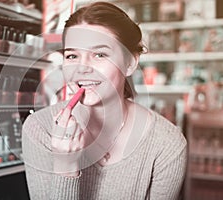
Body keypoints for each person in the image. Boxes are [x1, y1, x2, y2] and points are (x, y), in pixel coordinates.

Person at [21, 2, 187, 200]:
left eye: (100, 54)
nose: (81, 68)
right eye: (72, 55)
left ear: (130, 63)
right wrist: (66, 166)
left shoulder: (167, 144)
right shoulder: (39, 128)